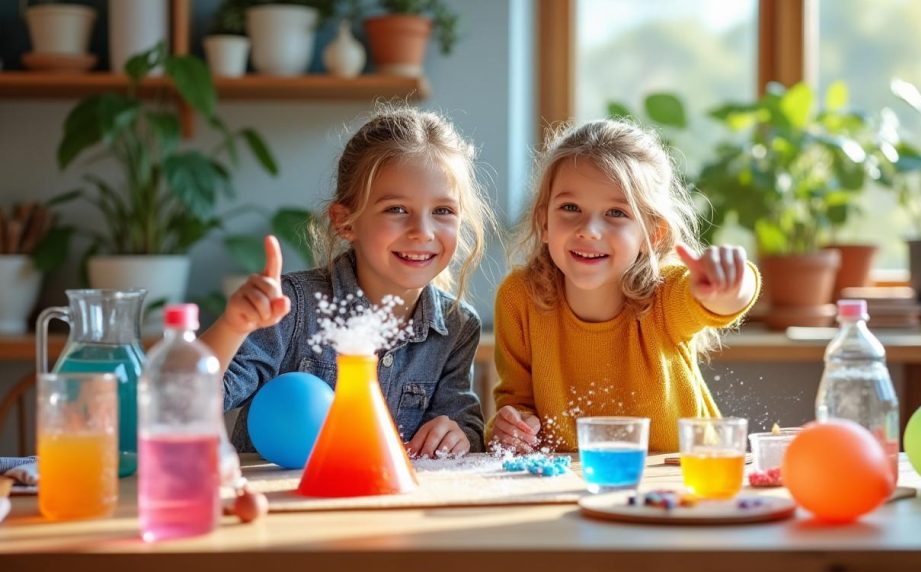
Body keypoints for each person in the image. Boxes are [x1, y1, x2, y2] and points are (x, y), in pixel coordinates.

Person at [202, 107, 493, 458]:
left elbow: (467, 431)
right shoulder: (292, 309)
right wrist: (234, 326)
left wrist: (456, 435)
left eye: (443, 211)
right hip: (283, 507)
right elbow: (186, 398)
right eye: (397, 209)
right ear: (345, 222)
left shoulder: (457, 328)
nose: (423, 232)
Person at [487, 119, 760, 453]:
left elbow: (720, 302)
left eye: (616, 213)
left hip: (686, 476)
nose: (589, 230)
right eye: (570, 208)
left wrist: (730, 284)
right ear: (545, 222)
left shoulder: (664, 292)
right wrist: (513, 426)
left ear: (652, 235)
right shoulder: (519, 297)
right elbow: (517, 401)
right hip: (571, 481)